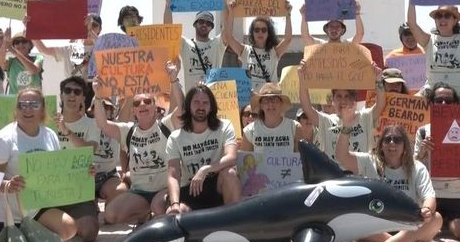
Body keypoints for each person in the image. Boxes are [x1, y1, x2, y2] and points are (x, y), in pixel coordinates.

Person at [0, 88, 92, 242]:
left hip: (35, 210)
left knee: (69, 228)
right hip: (6, 215)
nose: (28, 109)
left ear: (43, 109)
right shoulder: (3, 139)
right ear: (16, 109)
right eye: (23, 105)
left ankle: (36, 241)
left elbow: (59, 173)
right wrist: (8, 185)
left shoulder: (50, 135)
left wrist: (84, 173)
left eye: (34, 104)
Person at [95, 64, 184, 225]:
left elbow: (181, 109)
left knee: (158, 207)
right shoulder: (127, 130)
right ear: (134, 111)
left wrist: (174, 80)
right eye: (137, 104)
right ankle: (143, 215)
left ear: (155, 108)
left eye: (147, 101)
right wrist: (98, 96)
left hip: (164, 189)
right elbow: (102, 123)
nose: (142, 105)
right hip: (139, 192)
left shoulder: (166, 125)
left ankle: (155, 216)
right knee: (111, 215)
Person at [335, 125, 441, 242]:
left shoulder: (417, 168)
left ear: (405, 145)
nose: (392, 143)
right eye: (387, 139)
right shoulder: (369, 161)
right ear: (381, 145)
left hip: (409, 226)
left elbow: (429, 197)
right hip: (377, 227)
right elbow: (341, 156)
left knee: (436, 219)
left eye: (397, 139)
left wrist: (426, 210)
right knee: (351, 220)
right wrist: (346, 125)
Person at [52, 76, 118, 241]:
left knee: (90, 233)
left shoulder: (92, 124)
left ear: (83, 97)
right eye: (67, 91)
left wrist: (65, 130)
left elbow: (89, 149)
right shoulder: (46, 121)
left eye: (77, 92)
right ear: (61, 95)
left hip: (79, 189)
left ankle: (67, 222)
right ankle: (61, 222)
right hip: (52, 189)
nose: (72, 95)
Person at [413, 83, 460, 240]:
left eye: (448, 101)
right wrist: (422, 151)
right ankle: (439, 220)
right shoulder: (423, 131)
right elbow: (413, 167)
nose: (443, 104)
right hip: (432, 192)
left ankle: (444, 221)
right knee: (422, 227)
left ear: (455, 104)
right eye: (438, 100)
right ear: (431, 103)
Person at [165, 85, 241, 213]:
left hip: (216, 186)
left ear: (211, 107)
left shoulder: (225, 126)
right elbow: (173, 175)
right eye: (196, 102)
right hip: (190, 190)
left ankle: (234, 222)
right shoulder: (175, 137)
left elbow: (231, 157)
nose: (201, 107)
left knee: (230, 174)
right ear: (188, 105)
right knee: (172, 213)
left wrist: (206, 169)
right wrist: (175, 204)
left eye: (205, 103)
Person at [296, 61, 385, 158]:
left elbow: (380, 104)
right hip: (334, 173)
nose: (343, 101)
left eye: (347, 96)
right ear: (333, 100)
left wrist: (378, 79)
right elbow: (306, 107)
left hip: (360, 172)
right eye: (339, 96)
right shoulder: (326, 120)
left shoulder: (364, 117)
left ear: (353, 100)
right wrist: (302, 79)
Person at [164, 0, 227, 92]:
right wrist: (168, 4)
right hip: (191, 100)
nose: (204, 25)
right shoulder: (185, 44)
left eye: (208, 23)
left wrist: (224, 3)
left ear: (211, 27)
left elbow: (227, 28)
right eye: (201, 21)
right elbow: (169, 30)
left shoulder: (217, 43)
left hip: (212, 99)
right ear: (195, 24)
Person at [222, 2, 294, 92]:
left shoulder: (274, 52)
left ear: (268, 33)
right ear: (252, 33)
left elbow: (288, 39)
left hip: (268, 100)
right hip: (250, 99)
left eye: (264, 30)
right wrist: (232, 12)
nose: (260, 33)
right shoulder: (245, 50)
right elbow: (229, 37)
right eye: (257, 30)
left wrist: (288, 14)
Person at [239, 83, 309, 152]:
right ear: (261, 105)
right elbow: (245, 161)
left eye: (275, 100)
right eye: (266, 100)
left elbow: (301, 160)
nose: (270, 104)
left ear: (281, 103)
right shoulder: (250, 131)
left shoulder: (294, 128)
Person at [33, 14, 103, 80]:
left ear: (100, 29)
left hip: (93, 88)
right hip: (72, 88)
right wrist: (30, 29)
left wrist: (89, 30)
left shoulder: (102, 48)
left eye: (94, 25)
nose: (89, 26)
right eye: (85, 24)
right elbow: (44, 49)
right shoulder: (70, 48)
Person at [300, 1, 364, 45]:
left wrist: (357, 13)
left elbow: (360, 34)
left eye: (337, 27)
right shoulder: (320, 45)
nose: (334, 30)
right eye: (331, 26)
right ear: (326, 29)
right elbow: (305, 35)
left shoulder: (347, 45)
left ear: (342, 30)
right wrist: (303, 15)